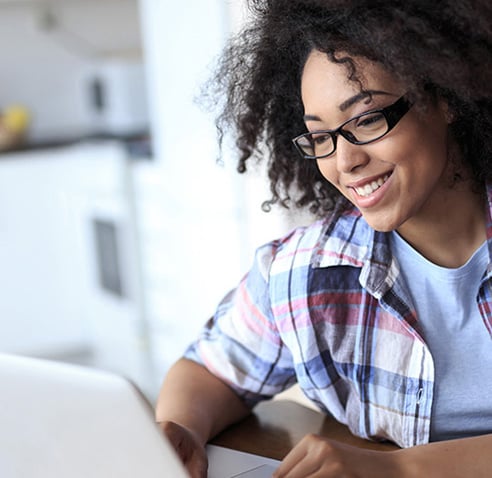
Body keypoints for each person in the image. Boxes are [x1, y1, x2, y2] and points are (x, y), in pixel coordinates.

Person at [156, 1, 492, 476]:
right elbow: (210, 370)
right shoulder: (306, 272)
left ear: (447, 98)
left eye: (368, 118)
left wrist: (399, 470)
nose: (345, 161)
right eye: (321, 137)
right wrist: (180, 431)